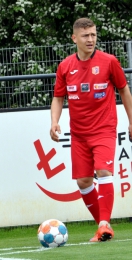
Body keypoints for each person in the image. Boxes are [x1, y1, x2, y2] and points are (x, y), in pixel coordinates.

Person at [50, 17, 132, 242]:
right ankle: (103, 226)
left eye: (94, 35)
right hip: (78, 134)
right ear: (74, 38)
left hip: (104, 129)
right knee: (83, 182)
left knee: (104, 172)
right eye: (85, 35)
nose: (91, 39)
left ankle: (104, 224)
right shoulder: (65, 66)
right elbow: (58, 98)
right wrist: (54, 121)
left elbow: (124, 91)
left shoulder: (109, 61)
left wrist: (131, 121)